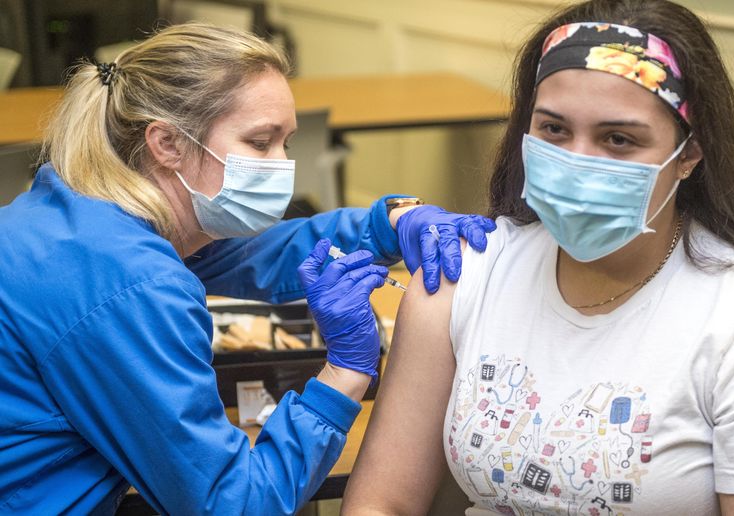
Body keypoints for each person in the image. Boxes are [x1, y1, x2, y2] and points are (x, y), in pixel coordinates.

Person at [343, 1, 734, 514]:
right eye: (555, 130)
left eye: (618, 139)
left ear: (689, 155)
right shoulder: (466, 273)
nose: (576, 162)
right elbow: (382, 503)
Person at [0, 23, 495, 514]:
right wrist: (344, 371)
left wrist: (386, 224)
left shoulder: (78, 213)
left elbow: (251, 254)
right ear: (167, 143)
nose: (282, 164)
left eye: (287, 143)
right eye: (261, 143)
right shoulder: (131, 285)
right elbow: (235, 504)